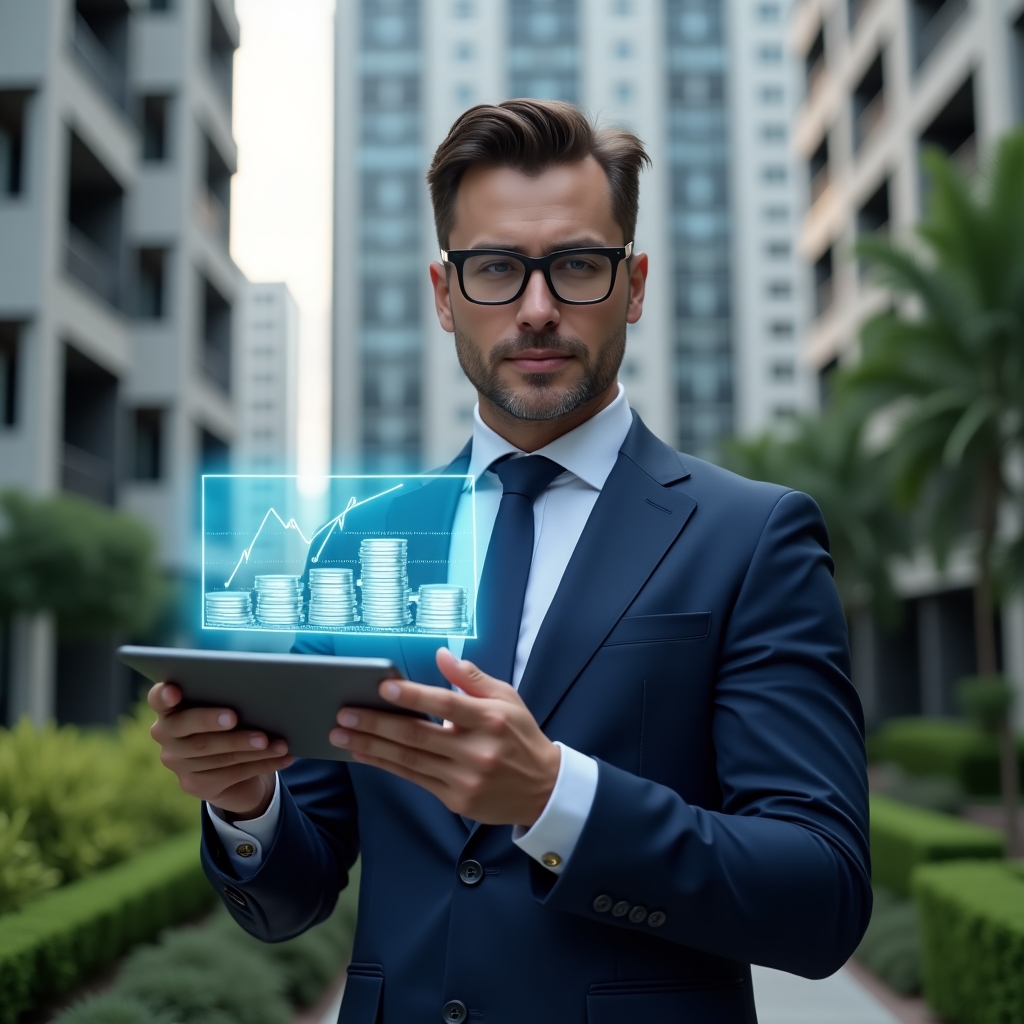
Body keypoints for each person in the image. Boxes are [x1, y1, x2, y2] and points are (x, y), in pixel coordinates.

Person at [148, 100, 870, 1024]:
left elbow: (821, 895)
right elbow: (293, 898)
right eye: (495, 268)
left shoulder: (752, 537)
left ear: (635, 284)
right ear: (446, 294)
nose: (536, 310)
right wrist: (247, 803)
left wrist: (557, 797)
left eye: (576, 265)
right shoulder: (361, 542)